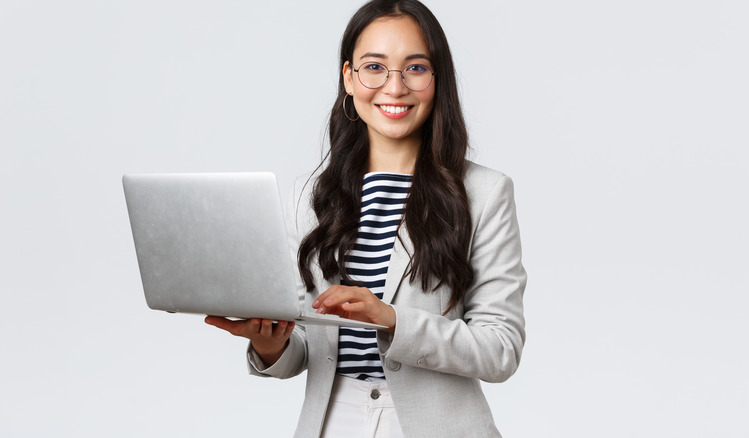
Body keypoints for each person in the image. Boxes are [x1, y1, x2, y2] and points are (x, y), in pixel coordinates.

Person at [205, 1, 526, 436]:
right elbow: (304, 348)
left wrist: (392, 319)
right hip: (332, 421)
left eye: (415, 68)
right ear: (349, 79)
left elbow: (500, 349)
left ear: (438, 80)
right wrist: (269, 341)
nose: (394, 88)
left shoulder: (482, 193)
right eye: (374, 67)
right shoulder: (309, 196)